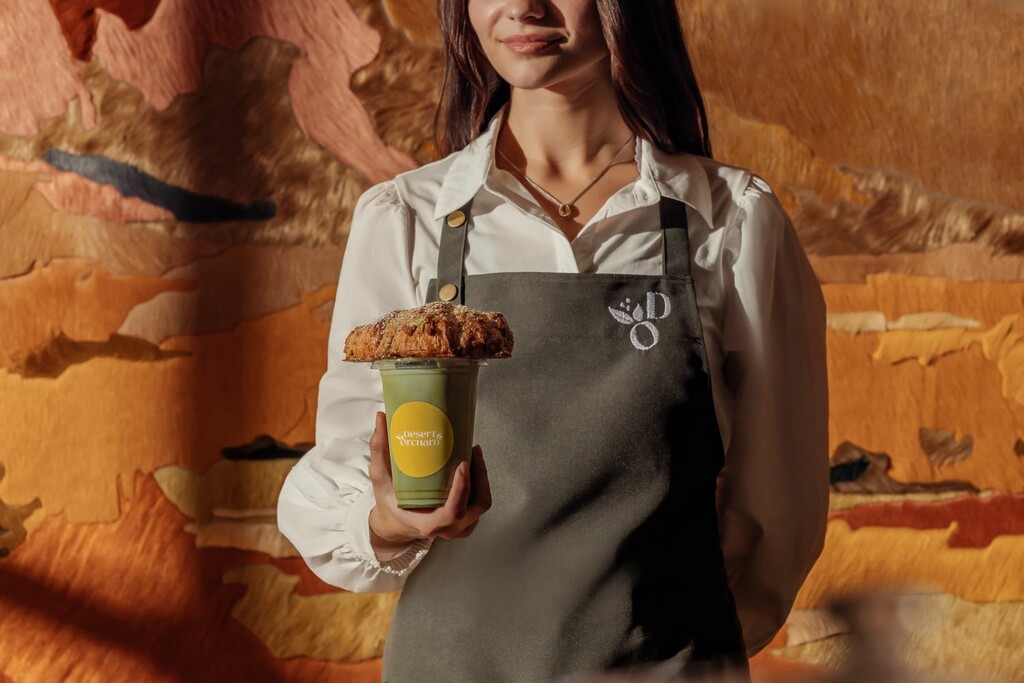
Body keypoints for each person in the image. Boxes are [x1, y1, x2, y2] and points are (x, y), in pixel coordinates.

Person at [276, 0, 830, 681]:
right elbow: (344, 472)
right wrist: (390, 521)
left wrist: (676, 645)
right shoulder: (405, 219)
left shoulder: (732, 221)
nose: (524, 6)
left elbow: (776, 514)